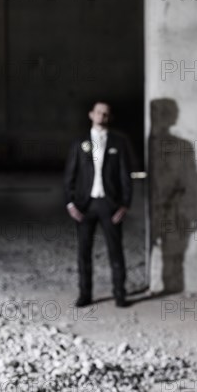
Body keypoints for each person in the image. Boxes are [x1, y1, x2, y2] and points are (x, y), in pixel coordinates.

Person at [64, 101, 133, 308]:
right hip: (85, 205)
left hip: (109, 205)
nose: (102, 116)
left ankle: (120, 294)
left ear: (109, 117)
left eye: (106, 114)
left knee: (116, 250)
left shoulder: (118, 143)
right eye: (99, 112)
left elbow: (125, 177)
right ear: (91, 115)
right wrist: (70, 203)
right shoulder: (79, 143)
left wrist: (125, 205)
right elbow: (70, 175)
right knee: (84, 252)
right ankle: (85, 294)